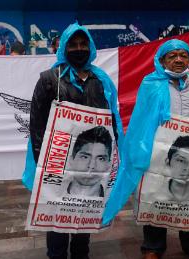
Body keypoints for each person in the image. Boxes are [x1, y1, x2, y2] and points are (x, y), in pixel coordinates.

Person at [103, 39, 189, 259]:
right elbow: (140, 121)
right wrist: (138, 152)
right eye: (172, 56)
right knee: (156, 198)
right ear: (161, 60)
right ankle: (153, 247)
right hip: (158, 155)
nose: (179, 60)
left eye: (183, 55)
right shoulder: (150, 84)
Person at [28, 22, 123, 259]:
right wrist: (43, 162)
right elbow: (37, 124)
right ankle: (56, 254)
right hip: (57, 162)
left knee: (84, 210)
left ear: (90, 46)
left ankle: (82, 254)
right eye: (73, 45)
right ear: (63, 48)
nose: (78, 49)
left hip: (92, 160)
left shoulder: (101, 81)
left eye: (83, 44)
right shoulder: (49, 79)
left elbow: (112, 120)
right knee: (57, 213)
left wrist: (113, 155)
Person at [66, 126, 113, 197]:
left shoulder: (114, 199)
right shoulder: (50, 193)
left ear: (109, 165)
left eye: (101, 159)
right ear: (71, 160)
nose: (91, 166)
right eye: (85, 157)